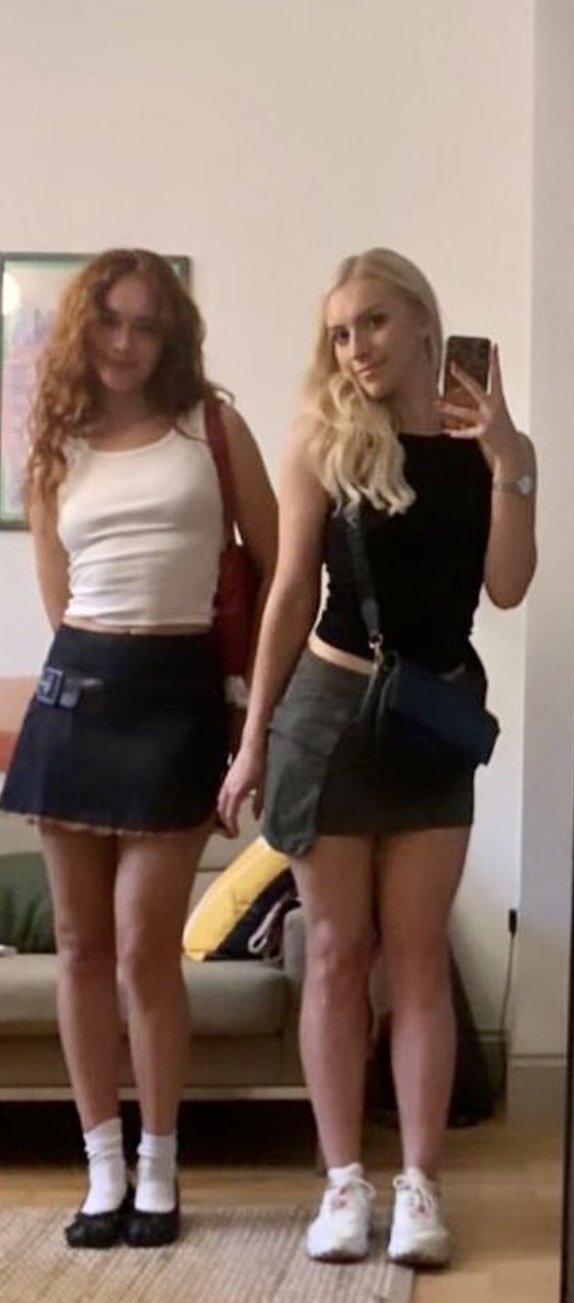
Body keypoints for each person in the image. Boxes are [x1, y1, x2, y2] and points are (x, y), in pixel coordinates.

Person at [218, 248, 537, 1269]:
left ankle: (420, 1185)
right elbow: (286, 593)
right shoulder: (322, 438)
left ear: (422, 321)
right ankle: (343, 1181)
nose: (355, 348)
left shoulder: (482, 445)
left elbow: (507, 585)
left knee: (416, 958)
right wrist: (251, 738)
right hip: (329, 711)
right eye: (340, 333)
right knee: (334, 954)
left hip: (432, 717)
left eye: (373, 323)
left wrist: (510, 458)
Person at [0, 248, 277, 1249]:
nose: (124, 342)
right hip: (77, 695)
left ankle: (159, 1167)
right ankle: (102, 1169)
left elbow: (278, 571)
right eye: (109, 321)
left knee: (144, 945)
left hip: (178, 697)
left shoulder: (214, 427)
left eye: (145, 324)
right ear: (84, 329)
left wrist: (253, 715)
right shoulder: (55, 446)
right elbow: (58, 599)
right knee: (78, 947)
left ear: (172, 335)